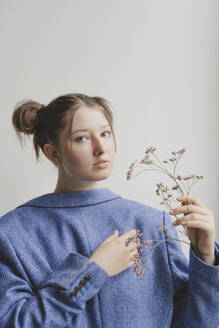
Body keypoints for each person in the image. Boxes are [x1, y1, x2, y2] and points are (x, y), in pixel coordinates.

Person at [0, 93, 218, 328]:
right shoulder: (12, 233)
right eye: (82, 138)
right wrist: (93, 272)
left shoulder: (154, 224)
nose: (101, 148)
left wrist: (206, 258)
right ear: (53, 152)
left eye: (105, 134)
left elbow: (195, 323)